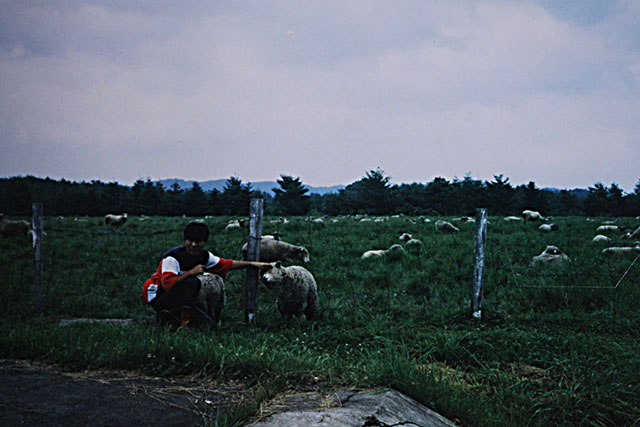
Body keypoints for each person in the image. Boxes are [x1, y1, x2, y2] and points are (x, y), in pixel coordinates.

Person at [141, 221, 271, 329]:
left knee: (210, 326)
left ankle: (182, 318)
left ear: (205, 242)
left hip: (182, 297)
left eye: (198, 241)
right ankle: (182, 322)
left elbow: (226, 264)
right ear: (185, 240)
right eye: (190, 240)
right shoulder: (172, 257)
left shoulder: (204, 256)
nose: (193, 245)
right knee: (193, 282)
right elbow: (168, 284)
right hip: (162, 296)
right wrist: (191, 272)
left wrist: (252, 264)